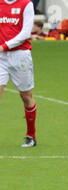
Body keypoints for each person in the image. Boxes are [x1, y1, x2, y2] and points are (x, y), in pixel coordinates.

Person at [0, 0, 38, 147]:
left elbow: (25, 33)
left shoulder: (26, 4)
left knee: (26, 96)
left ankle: (31, 135)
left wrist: (4, 46)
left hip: (20, 56)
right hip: (1, 57)